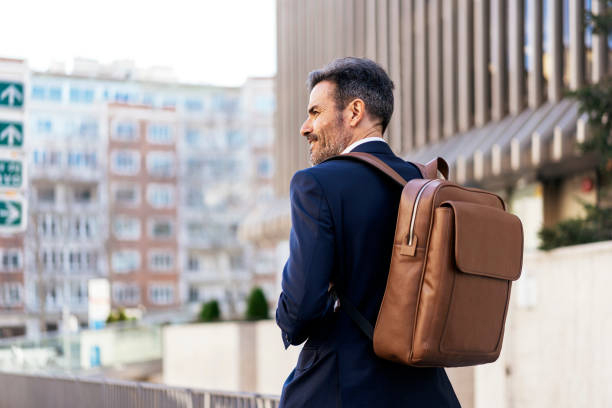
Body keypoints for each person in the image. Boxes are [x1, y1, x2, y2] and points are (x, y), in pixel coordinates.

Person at [275, 57, 461, 407]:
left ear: (355, 111)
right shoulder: (424, 184)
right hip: (427, 390)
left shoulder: (315, 184)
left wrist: (290, 313)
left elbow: (299, 311)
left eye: (315, 112)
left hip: (343, 388)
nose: (305, 127)